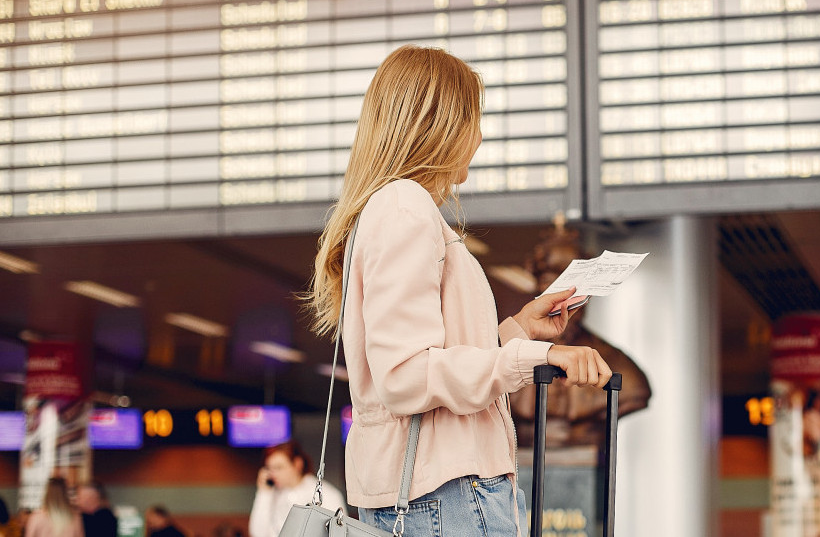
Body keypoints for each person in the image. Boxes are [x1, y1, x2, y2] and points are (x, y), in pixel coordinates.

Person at [304, 45, 612, 537]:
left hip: (431, 492)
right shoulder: (405, 207)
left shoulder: (391, 209)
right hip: (445, 494)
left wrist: (516, 331)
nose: (479, 136)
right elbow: (406, 375)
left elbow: (430, 361)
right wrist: (531, 357)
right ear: (441, 125)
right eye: (473, 119)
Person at [510, 223, 651, 448]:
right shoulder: (509, 355)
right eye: (550, 286)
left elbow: (636, 394)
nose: (561, 302)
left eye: (572, 291)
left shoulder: (620, 366)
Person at [247, 441, 344, 537]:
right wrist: (264, 493)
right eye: (269, 468)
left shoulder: (327, 494)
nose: (273, 474)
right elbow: (258, 533)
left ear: (298, 464)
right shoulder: (271, 494)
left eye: (279, 468)